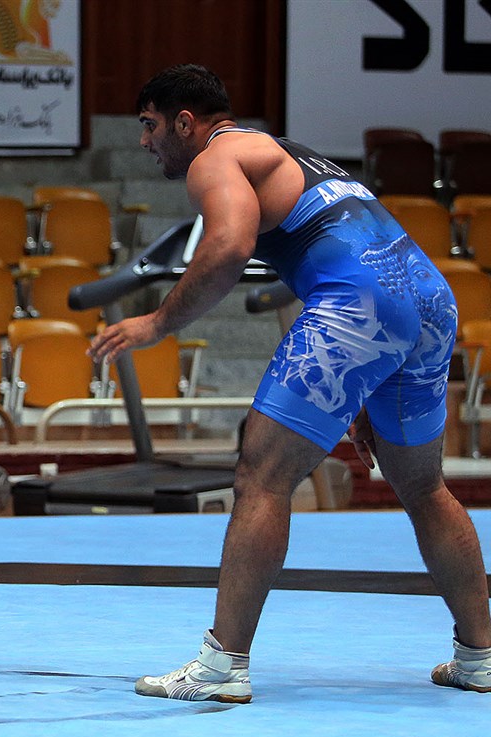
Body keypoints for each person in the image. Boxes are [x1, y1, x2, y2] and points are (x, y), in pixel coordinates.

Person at [88, 64, 491, 702]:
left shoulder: (215, 157)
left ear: (185, 122)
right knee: (424, 487)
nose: (144, 141)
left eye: (149, 125)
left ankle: (223, 666)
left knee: (262, 477)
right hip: (429, 298)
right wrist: (368, 383)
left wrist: (157, 322)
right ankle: (481, 657)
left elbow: (228, 245)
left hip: (360, 304)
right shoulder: (290, 153)